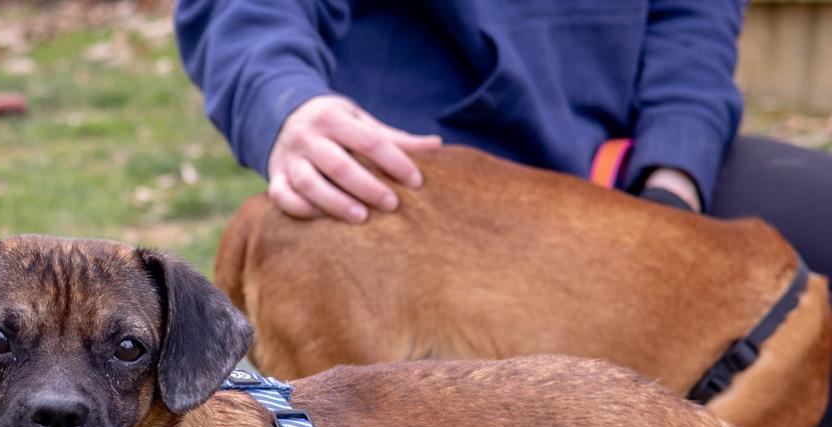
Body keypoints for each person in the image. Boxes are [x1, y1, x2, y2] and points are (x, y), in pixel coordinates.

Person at [175, 0, 832, 283]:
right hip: (416, 178)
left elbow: (693, 25)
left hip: (620, 167)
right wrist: (286, 104)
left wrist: (674, 174)